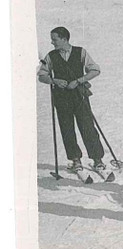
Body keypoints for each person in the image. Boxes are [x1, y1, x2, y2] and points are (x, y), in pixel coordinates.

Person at [37, 27, 105, 172]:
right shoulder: (51, 56)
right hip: (61, 98)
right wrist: (54, 80)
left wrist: (79, 80)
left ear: (64, 39)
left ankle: (97, 160)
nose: (52, 42)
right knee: (67, 129)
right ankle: (76, 160)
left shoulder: (81, 52)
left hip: (79, 95)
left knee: (87, 127)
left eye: (54, 39)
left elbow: (95, 70)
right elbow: (41, 75)